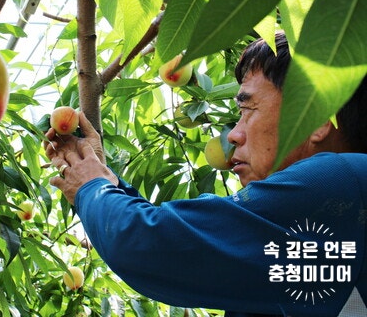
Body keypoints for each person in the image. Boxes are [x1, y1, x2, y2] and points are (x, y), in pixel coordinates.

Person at [45, 32, 367, 317]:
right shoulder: (331, 218)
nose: (233, 135)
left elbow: (154, 245)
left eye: (247, 110)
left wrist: (93, 187)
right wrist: (103, 181)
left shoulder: (337, 179)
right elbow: (192, 250)